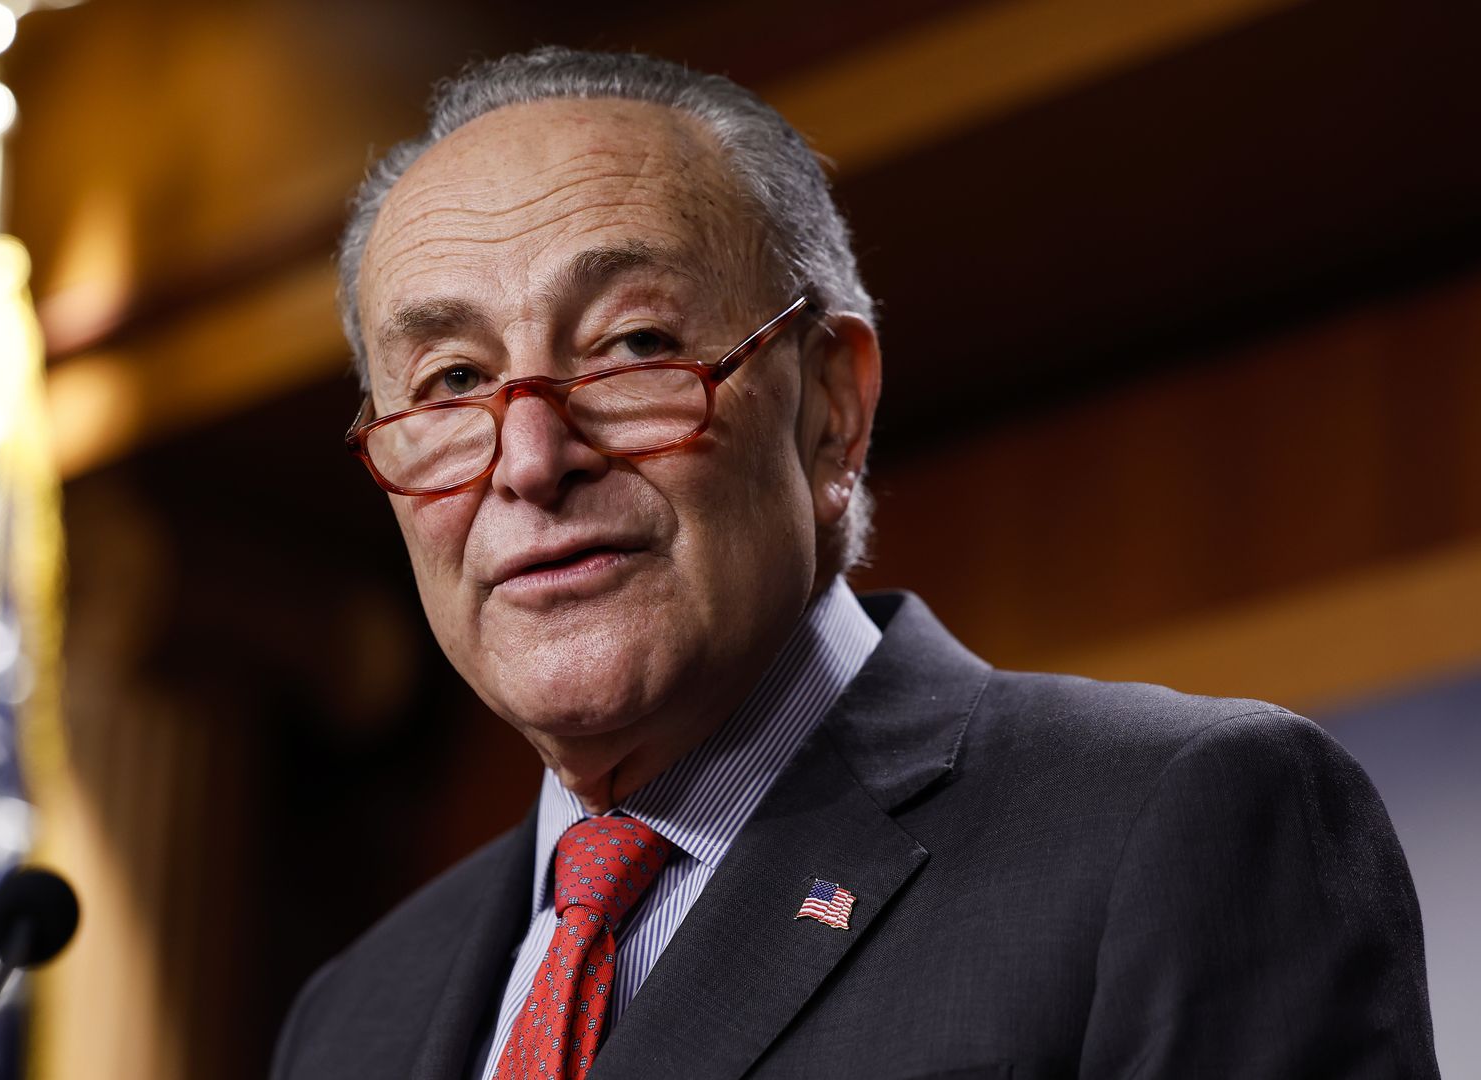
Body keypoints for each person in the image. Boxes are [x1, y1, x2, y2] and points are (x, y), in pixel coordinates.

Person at [272, 47, 1438, 1079]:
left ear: (831, 407)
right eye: (452, 384)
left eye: (632, 346)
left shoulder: (1180, 826)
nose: (529, 459)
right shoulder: (353, 1015)